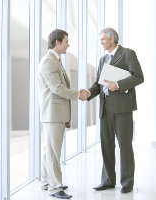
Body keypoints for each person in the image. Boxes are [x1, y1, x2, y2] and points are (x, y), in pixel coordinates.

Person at [87, 27, 144, 194]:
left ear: (113, 39)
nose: (101, 42)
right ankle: (108, 180)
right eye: (100, 40)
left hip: (122, 108)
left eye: (103, 39)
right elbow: (99, 84)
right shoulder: (103, 59)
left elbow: (138, 76)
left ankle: (127, 181)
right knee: (106, 145)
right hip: (105, 108)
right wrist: (88, 93)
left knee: (125, 145)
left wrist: (117, 85)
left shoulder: (127, 54)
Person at [38, 29, 88, 199]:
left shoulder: (55, 61)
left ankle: (47, 181)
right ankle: (55, 187)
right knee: (53, 151)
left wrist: (67, 117)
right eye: (66, 41)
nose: (68, 45)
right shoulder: (48, 62)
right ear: (57, 43)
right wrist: (78, 94)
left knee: (49, 150)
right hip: (52, 114)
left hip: (57, 114)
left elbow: (59, 88)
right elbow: (57, 89)